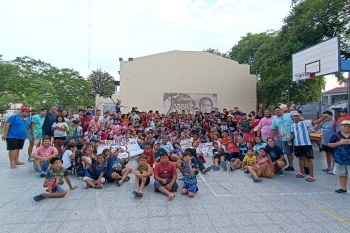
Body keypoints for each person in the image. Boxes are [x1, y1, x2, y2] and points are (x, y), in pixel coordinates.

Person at [289, 111, 315, 182]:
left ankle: (311, 175)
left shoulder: (305, 122)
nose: (295, 117)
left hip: (306, 143)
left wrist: (323, 117)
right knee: (300, 158)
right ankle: (302, 172)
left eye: (297, 116)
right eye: (294, 116)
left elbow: (314, 122)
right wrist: (290, 138)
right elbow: (293, 134)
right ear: (291, 117)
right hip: (297, 144)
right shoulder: (292, 125)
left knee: (308, 159)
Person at [314, 111, 341, 175]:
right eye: (323, 116)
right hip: (325, 142)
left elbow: (339, 133)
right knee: (327, 154)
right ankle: (329, 167)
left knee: (333, 155)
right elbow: (315, 128)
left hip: (333, 142)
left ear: (331, 116)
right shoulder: (323, 123)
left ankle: (334, 169)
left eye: (326, 116)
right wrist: (320, 119)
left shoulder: (336, 124)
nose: (325, 118)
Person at [328, 120, 350, 193]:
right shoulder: (336, 135)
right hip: (340, 158)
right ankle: (343, 188)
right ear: (341, 126)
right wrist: (339, 143)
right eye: (345, 126)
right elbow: (330, 144)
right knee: (342, 173)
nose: (346, 128)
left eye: (349, 126)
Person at [271, 107, 295, 172]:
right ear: (274, 113)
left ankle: (305, 167)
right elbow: (273, 129)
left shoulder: (288, 115)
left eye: (278, 110)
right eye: (276, 111)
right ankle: (291, 166)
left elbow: (297, 118)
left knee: (300, 154)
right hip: (286, 139)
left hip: (296, 137)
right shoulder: (274, 120)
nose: (277, 112)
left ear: (281, 111)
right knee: (289, 152)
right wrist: (271, 138)